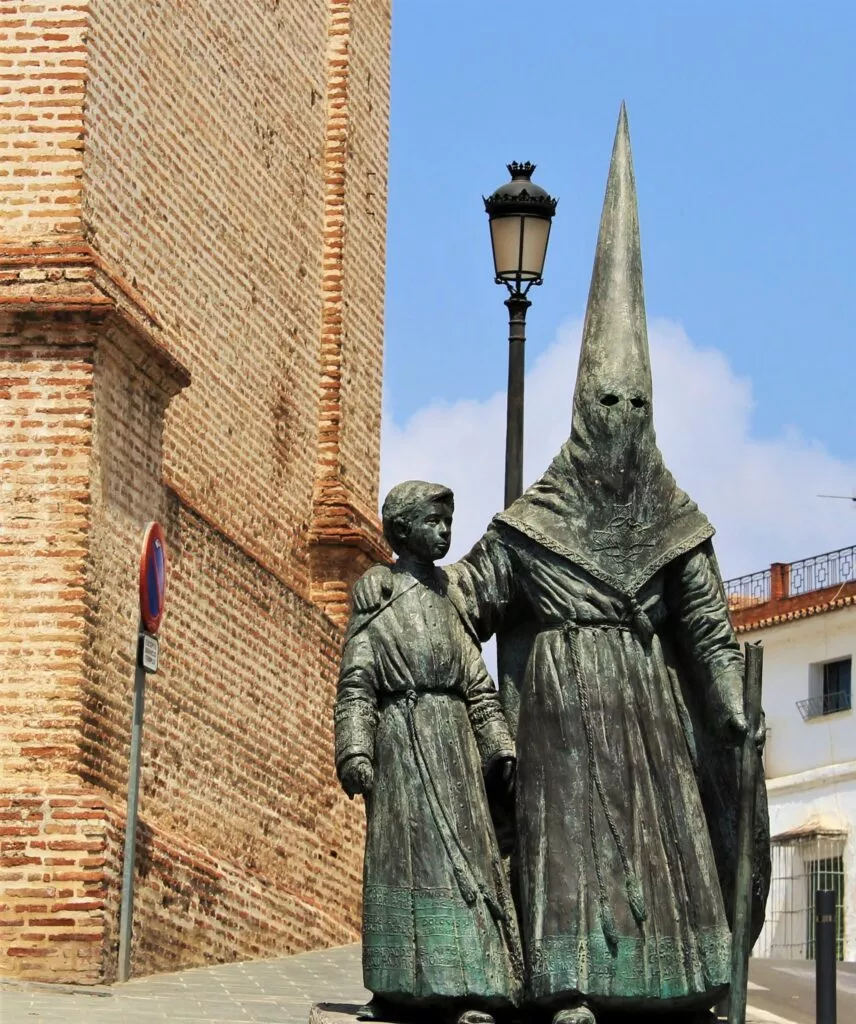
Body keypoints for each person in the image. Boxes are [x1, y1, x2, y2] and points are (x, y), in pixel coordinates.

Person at [355, 107, 769, 1024]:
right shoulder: (533, 523)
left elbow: (705, 632)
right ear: (583, 409)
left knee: (656, 863)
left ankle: (675, 984)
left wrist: (734, 714)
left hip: (650, 726)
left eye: (634, 400)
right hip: (560, 725)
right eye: (606, 400)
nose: (620, 413)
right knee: (567, 858)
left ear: (648, 409)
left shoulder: (677, 523)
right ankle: (565, 985)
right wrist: (399, 599)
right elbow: (466, 598)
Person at [334, 481, 522, 1024]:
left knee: (466, 865)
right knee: (399, 863)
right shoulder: (378, 596)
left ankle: (471, 988)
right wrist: (355, 751)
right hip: (400, 746)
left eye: (448, 523)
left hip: (454, 749)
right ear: (401, 530)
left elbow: (477, 683)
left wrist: (499, 747)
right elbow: (357, 684)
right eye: (433, 522)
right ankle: (394, 989)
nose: (445, 532)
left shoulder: (448, 600)